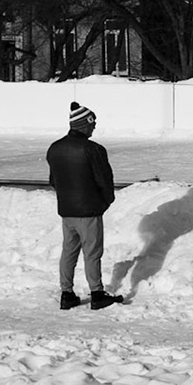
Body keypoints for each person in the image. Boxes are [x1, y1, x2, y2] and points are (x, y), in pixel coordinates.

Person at [49, 101, 124, 310]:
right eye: (92, 123)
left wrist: (66, 199)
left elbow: (53, 180)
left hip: (67, 211)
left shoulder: (54, 149)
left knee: (68, 251)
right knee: (92, 252)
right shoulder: (94, 150)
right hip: (89, 211)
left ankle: (66, 294)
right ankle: (97, 294)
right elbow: (104, 180)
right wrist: (105, 201)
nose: (94, 127)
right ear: (83, 124)